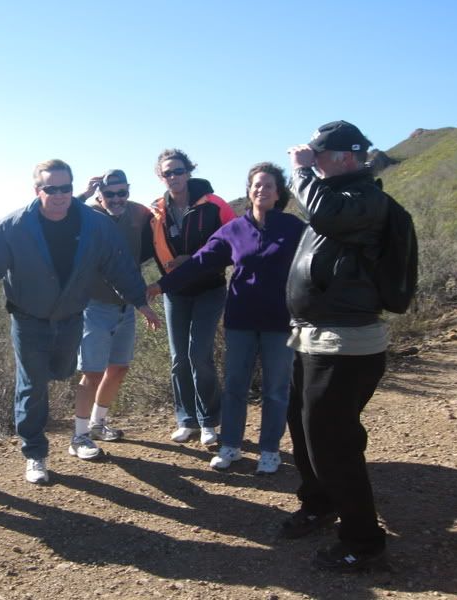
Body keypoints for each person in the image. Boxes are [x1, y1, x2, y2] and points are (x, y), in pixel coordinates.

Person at [0, 159, 161, 484]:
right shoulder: (14, 227)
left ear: (73, 188)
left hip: (70, 318)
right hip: (29, 319)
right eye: (51, 188)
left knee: (64, 370)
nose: (59, 195)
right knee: (33, 384)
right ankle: (35, 453)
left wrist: (140, 302)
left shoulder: (94, 225)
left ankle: (62, 422)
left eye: (65, 188)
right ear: (37, 190)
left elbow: (118, 266)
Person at [283, 121, 391, 571]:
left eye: (318, 154)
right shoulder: (343, 196)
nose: (310, 158)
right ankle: (320, 501)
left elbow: (323, 214)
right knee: (304, 425)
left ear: (346, 157)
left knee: (333, 439)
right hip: (315, 338)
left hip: (345, 343)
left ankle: (363, 541)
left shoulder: (363, 199)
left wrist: (302, 173)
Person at [148, 163, 304, 473]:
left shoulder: (293, 227)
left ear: (278, 193)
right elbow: (200, 261)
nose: (261, 190)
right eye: (256, 185)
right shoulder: (235, 230)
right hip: (241, 320)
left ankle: (270, 450)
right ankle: (230, 446)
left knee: (276, 389)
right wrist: (160, 286)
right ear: (249, 191)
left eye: (268, 186)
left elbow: (314, 264)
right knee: (234, 386)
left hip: (280, 322)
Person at [150, 149, 235, 446]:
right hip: (176, 293)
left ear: (189, 172)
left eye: (178, 171)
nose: (173, 177)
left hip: (209, 289)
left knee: (199, 354)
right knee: (179, 358)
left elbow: (235, 243)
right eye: (167, 173)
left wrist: (193, 259)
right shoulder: (158, 210)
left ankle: (209, 420)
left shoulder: (214, 205)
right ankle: (186, 420)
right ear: (160, 176)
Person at [70, 169, 154, 459]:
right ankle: (79, 437)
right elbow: (59, 215)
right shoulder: (88, 215)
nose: (116, 199)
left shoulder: (137, 214)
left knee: (118, 367)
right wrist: (82, 193)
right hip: (95, 305)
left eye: (122, 192)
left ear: (128, 191)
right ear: (99, 194)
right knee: (91, 372)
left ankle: (97, 423)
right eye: (109, 193)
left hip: (127, 305)